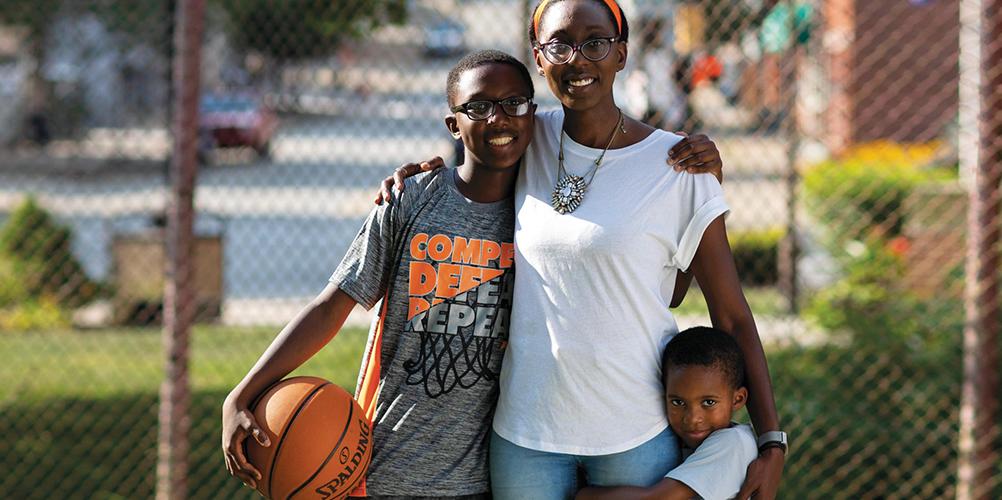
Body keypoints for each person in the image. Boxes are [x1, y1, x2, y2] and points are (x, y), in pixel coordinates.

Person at [379, 1, 786, 499]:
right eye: (560, 45)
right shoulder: (525, 136)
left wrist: (771, 442)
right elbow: (473, 159)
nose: (578, 58)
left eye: (595, 42)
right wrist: (421, 179)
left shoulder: (679, 167)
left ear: (621, 54)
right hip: (526, 433)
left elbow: (732, 315)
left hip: (633, 432)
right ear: (539, 57)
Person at [221, 49, 538, 498]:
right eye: (479, 107)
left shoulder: (546, 214)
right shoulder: (411, 201)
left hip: (483, 478)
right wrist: (242, 393)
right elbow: (332, 305)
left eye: (514, 103)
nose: (499, 118)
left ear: (533, 113)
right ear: (453, 125)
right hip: (386, 465)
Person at [576, 326, 762, 500]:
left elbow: (655, 498)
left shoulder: (733, 444)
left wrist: (582, 495)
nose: (692, 418)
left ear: (738, 399)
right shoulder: (683, 441)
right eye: (678, 402)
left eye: (708, 402)